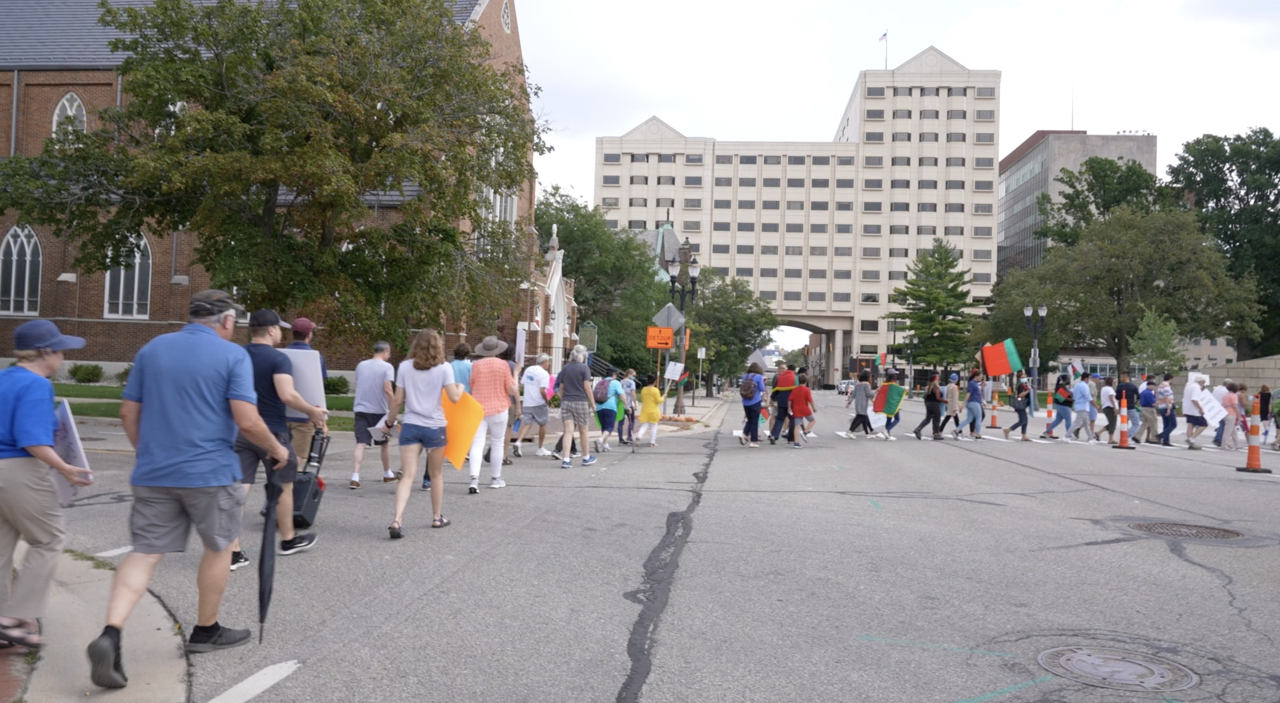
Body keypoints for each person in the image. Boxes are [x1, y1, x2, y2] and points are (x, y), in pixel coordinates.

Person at [88, 291, 290, 689]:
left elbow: (129, 413)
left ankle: (111, 632)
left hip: (154, 470)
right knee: (219, 547)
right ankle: (206, 630)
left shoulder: (152, 349)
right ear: (227, 321)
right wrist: (277, 448)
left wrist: (147, 453)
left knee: (145, 552)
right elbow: (247, 421)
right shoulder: (232, 356)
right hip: (210, 472)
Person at [0, 321, 93, 650]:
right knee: (48, 538)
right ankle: (14, 618)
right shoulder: (37, 385)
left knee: (2, 543)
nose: (64, 356)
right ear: (45, 352)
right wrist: (66, 468)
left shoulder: (3, 378)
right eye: (61, 350)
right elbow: (32, 440)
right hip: (20, 470)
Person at [228, 310, 326, 571]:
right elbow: (287, 394)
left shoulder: (237, 355)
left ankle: (232, 551)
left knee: (240, 487)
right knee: (284, 486)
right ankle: (288, 539)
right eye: (279, 328)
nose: (281, 332)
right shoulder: (278, 359)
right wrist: (311, 411)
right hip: (272, 431)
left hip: (241, 429)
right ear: (271, 330)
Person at [384, 330, 461, 538]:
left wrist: (389, 422)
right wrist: (460, 388)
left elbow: (398, 400)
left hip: (411, 425)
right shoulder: (445, 368)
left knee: (407, 475)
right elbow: (454, 398)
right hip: (435, 427)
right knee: (436, 474)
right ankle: (437, 517)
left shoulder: (405, 367)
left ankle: (397, 519)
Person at [467, 336, 518, 492]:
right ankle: (495, 478)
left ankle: (474, 479)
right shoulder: (503, 365)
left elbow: (472, 384)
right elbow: (511, 389)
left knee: (477, 443)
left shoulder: (476, 365)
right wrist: (516, 373)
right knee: (497, 443)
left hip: (479, 407)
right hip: (499, 407)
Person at [350, 341, 396, 489]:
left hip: (361, 409)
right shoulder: (387, 367)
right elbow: (388, 389)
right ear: (385, 352)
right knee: (384, 444)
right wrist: (394, 407)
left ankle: (355, 476)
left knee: (361, 443)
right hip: (380, 411)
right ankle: (387, 473)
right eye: (388, 353)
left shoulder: (361, 365)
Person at [284, 317, 326, 461]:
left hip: (282, 414)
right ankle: (292, 484)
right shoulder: (316, 357)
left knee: (280, 459)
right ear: (309, 335)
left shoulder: (281, 355)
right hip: (304, 415)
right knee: (298, 461)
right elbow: (318, 389)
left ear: (292, 334)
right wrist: (322, 421)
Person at [554, 345, 598, 468]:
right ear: (582, 355)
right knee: (583, 431)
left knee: (568, 431)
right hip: (581, 401)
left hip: (567, 401)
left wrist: (564, 399)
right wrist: (593, 403)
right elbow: (587, 387)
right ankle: (586, 457)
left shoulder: (565, 368)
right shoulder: (585, 368)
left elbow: (561, 387)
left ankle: (566, 459)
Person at [513, 354, 553, 458]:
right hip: (538, 402)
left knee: (527, 423)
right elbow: (542, 390)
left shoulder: (529, 369)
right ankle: (540, 448)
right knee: (543, 424)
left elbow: (522, 383)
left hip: (527, 401)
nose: (548, 364)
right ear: (544, 362)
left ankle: (518, 442)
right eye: (548, 362)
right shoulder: (544, 374)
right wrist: (546, 400)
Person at [594, 369, 624, 454]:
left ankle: (605, 445)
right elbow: (622, 395)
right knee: (609, 427)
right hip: (610, 407)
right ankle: (600, 440)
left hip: (599, 406)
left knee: (604, 426)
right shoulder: (615, 383)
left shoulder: (599, 383)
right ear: (614, 375)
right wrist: (627, 406)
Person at [769, 365, 798, 445]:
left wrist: (772, 399)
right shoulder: (795, 378)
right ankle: (791, 438)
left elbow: (776, 390)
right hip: (791, 403)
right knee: (792, 419)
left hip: (781, 401)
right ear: (794, 370)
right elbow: (798, 391)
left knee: (779, 419)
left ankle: (774, 435)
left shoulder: (781, 377)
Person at [739, 362, 766, 447]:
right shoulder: (759, 377)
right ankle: (754, 441)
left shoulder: (745, 376)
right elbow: (762, 389)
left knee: (750, 420)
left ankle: (744, 435)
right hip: (755, 401)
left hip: (745, 402)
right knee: (754, 421)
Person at [954, 371, 984, 440]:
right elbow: (968, 394)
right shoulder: (972, 383)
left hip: (973, 402)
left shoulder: (976, 383)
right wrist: (963, 404)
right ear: (976, 376)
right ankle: (978, 434)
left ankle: (956, 430)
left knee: (969, 419)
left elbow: (977, 393)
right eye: (980, 377)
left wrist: (982, 401)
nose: (981, 378)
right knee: (978, 418)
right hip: (974, 403)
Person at [1042, 374, 1074, 439]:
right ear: (1063, 380)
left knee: (1058, 420)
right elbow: (1061, 397)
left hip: (1061, 405)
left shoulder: (1062, 386)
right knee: (1068, 420)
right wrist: (1071, 399)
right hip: (1063, 405)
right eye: (1067, 379)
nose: (1069, 380)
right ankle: (1069, 434)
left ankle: (1047, 432)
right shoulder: (1060, 387)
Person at [1182, 373, 1209, 449]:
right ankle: (1191, 439)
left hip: (1187, 409)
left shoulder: (1188, 386)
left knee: (1190, 425)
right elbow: (1194, 399)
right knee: (1204, 424)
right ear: (1201, 382)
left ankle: (1191, 444)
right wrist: (1200, 408)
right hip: (1194, 410)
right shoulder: (1196, 388)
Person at [914, 372, 945, 440]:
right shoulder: (937, 387)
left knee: (928, 419)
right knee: (936, 419)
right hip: (935, 404)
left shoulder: (928, 387)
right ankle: (936, 434)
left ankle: (918, 429)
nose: (938, 380)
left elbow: (926, 397)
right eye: (938, 379)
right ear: (935, 380)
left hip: (928, 403)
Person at [787, 374, 815, 447]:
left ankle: (796, 443)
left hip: (796, 409)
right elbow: (810, 400)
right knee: (812, 420)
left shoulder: (795, 389)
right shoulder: (807, 390)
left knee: (797, 426)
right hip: (805, 409)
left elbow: (790, 399)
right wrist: (813, 408)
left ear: (798, 381)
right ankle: (805, 432)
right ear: (806, 381)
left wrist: (789, 407)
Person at [1003, 371, 1033, 441]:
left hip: (1021, 404)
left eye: (1025, 377)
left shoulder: (1023, 384)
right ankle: (1008, 430)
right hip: (1020, 404)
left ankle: (1024, 436)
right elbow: (1020, 395)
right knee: (1022, 421)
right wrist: (1028, 391)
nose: (1024, 378)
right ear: (1019, 378)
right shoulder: (1021, 385)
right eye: (1022, 377)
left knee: (1025, 420)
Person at [635, 375, 663, 447]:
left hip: (645, 410)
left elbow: (643, 398)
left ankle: (639, 436)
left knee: (645, 425)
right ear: (654, 381)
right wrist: (663, 397)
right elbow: (658, 400)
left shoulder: (643, 389)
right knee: (654, 426)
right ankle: (652, 442)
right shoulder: (655, 390)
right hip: (653, 410)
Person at [846, 370, 875, 438]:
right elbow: (869, 394)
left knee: (864, 417)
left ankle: (868, 433)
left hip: (858, 403)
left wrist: (849, 402)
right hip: (863, 403)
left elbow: (853, 395)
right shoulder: (867, 384)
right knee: (860, 418)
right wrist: (875, 392)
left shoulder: (858, 385)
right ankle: (850, 431)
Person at [1071, 373, 1097, 443]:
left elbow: (1074, 395)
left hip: (1080, 405)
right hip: (1086, 405)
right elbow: (1089, 396)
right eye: (1098, 378)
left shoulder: (1077, 385)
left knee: (1086, 422)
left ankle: (1091, 437)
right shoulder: (1090, 385)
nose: (1098, 379)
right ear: (1086, 378)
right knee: (1091, 421)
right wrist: (1096, 405)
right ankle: (1067, 435)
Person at [1115, 373, 1141, 443]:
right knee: (1136, 423)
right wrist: (1135, 403)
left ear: (1124, 378)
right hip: (1130, 407)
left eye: (1121, 377)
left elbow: (1117, 397)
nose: (1120, 379)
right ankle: (1127, 436)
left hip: (1122, 408)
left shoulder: (1119, 386)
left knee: (1124, 423)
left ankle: (1123, 436)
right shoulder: (1133, 386)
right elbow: (1138, 396)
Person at [881, 371, 903, 440]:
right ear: (894, 378)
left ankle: (887, 435)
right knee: (897, 419)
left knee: (889, 418)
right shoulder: (894, 385)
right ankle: (886, 430)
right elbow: (896, 395)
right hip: (893, 404)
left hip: (887, 403)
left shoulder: (885, 384)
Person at [1211, 378, 1233, 447]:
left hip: (1215, 407)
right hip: (1222, 408)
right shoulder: (1226, 391)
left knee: (1221, 424)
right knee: (1222, 424)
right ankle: (1218, 439)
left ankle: (1218, 438)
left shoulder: (1217, 388)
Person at [1136, 379, 1159, 444]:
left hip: (1142, 408)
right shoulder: (1149, 393)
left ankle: (1137, 436)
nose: (1154, 387)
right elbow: (1153, 403)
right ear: (1150, 386)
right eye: (1153, 386)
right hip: (1149, 409)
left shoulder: (1143, 392)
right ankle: (1154, 439)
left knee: (1145, 423)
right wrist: (1158, 402)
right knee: (1154, 423)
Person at [1156, 373, 1177, 446]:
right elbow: (1166, 397)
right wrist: (1168, 408)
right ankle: (1161, 436)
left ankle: (1166, 441)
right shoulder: (1167, 386)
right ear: (1170, 379)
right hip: (1167, 406)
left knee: (1166, 424)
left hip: (1161, 406)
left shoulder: (1160, 386)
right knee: (1173, 424)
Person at [1095, 377, 1117, 444]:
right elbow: (1111, 398)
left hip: (1105, 407)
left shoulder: (1103, 388)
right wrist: (1115, 407)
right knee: (1113, 423)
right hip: (1110, 407)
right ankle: (1110, 439)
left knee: (1111, 423)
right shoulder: (1110, 389)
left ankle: (1098, 433)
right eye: (1114, 382)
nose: (1115, 383)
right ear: (1111, 382)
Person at [619, 369, 638, 445]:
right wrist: (635, 403)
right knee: (631, 421)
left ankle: (620, 439)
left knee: (620, 422)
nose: (634, 377)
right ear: (629, 374)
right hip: (629, 404)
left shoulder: (621, 382)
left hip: (621, 405)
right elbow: (633, 394)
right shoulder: (632, 383)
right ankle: (629, 437)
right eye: (634, 375)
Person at [1222, 382, 1241, 450]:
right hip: (1231, 413)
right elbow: (1235, 406)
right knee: (1228, 430)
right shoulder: (1234, 395)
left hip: (1225, 413)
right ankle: (1224, 445)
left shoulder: (1225, 395)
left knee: (1232, 430)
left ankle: (1237, 444)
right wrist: (1239, 415)